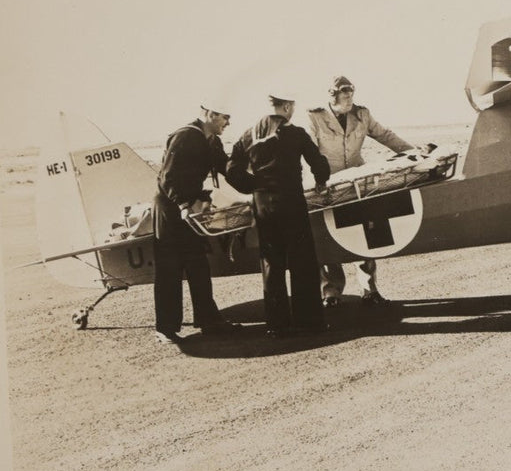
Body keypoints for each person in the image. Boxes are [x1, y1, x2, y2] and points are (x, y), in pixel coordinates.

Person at [306, 75, 418, 305]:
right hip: (325, 185)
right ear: (332, 95)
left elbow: (385, 135)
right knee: (326, 237)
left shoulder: (362, 114)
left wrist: (413, 153)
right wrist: (318, 179)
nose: (349, 99)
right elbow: (310, 149)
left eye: (351, 94)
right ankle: (330, 291)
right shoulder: (314, 117)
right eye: (344, 95)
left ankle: (370, 289)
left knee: (366, 234)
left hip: (357, 183)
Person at [226, 92, 332, 336]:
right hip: (291, 201)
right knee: (302, 261)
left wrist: (251, 185)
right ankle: (309, 322)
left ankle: (276, 325)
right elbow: (318, 161)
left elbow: (231, 168)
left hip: (263, 204)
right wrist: (321, 180)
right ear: (286, 106)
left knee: (271, 263)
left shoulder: (249, 134)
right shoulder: (295, 133)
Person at [154, 101, 235, 344]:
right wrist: (183, 206)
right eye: (225, 117)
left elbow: (226, 168)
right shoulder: (186, 136)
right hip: (171, 208)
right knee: (170, 268)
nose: (228, 123)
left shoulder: (212, 140)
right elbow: (168, 178)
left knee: (198, 264)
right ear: (210, 114)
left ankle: (210, 321)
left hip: (190, 207)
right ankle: (165, 329)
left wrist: (258, 183)